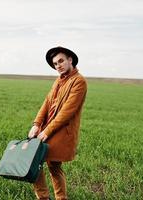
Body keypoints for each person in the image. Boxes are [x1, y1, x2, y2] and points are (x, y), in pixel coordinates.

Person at [28, 46, 87, 200]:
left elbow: (67, 112)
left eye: (61, 61)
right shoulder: (58, 80)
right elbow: (47, 103)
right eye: (55, 64)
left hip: (60, 131)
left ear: (70, 60)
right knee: (36, 161)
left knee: (52, 165)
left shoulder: (79, 82)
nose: (58, 65)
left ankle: (59, 198)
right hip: (46, 127)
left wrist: (46, 131)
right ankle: (43, 197)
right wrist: (36, 124)